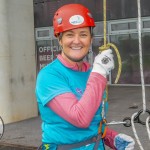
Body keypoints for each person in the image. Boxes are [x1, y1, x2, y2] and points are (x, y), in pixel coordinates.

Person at [35, 3, 135, 150]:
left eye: (83, 34)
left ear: (91, 39)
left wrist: (111, 138)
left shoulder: (92, 74)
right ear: (59, 39)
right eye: (70, 34)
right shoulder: (49, 76)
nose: (77, 41)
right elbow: (80, 118)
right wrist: (99, 73)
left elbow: (94, 120)